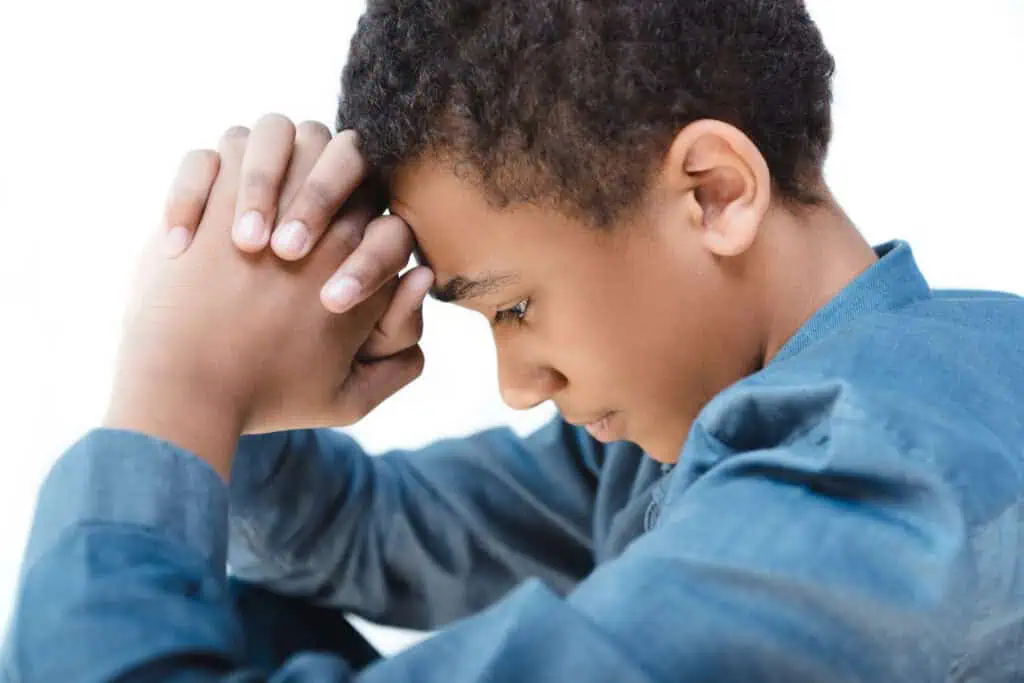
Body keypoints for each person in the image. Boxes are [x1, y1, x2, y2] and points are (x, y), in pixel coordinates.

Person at [4, 1, 1024, 681]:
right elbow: (368, 532)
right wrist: (253, 352)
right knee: (243, 612)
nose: (518, 384)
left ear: (713, 193)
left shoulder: (879, 477)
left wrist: (178, 384)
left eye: (514, 307)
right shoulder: (690, 430)